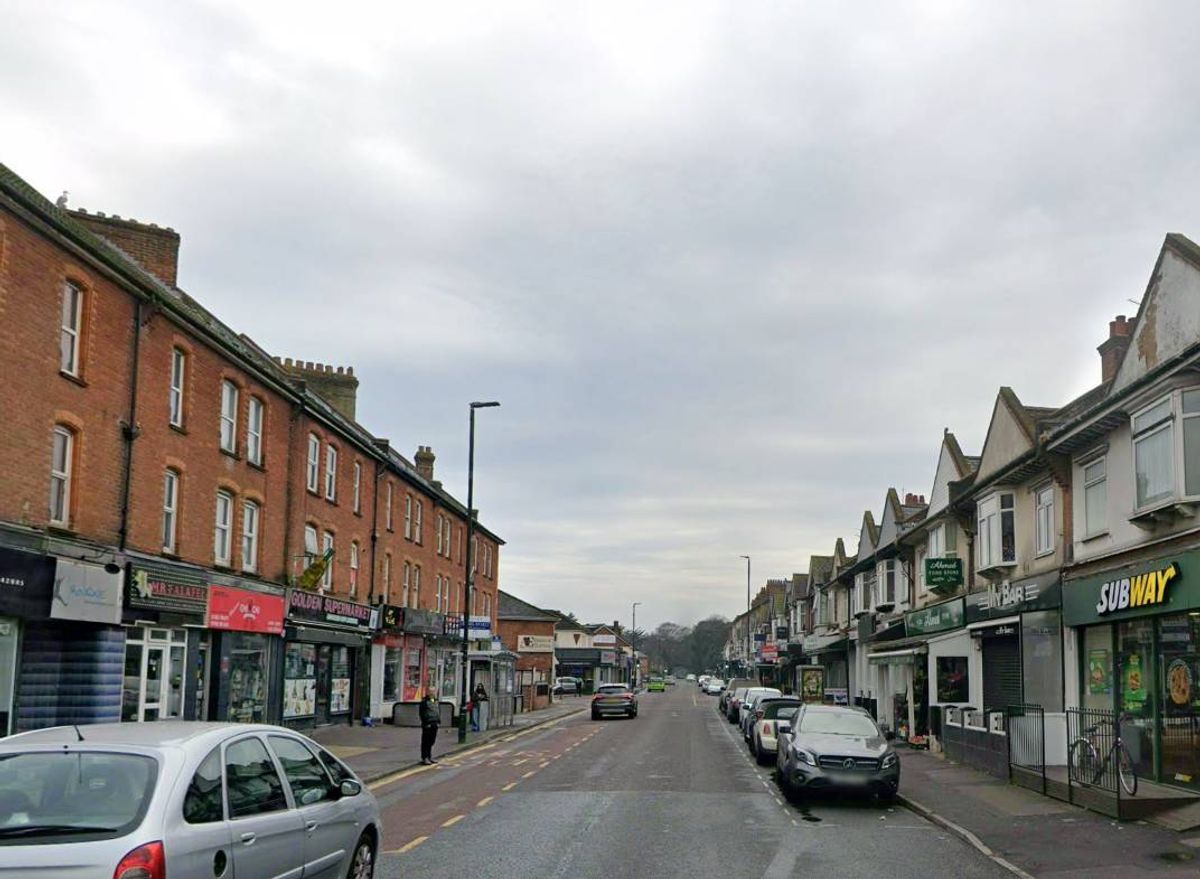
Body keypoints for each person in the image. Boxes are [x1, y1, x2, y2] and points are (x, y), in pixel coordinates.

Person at [419, 693, 440, 765]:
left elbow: (437, 711)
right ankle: (424, 758)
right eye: (431, 692)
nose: (433, 694)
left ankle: (429, 756)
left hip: (435, 723)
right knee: (426, 741)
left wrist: (438, 721)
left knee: (431, 741)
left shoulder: (434, 701)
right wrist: (425, 723)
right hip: (428, 724)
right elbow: (422, 713)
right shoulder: (424, 702)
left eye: (434, 692)